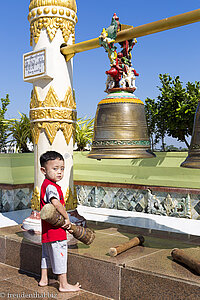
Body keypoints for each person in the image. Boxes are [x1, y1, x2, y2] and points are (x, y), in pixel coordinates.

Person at [38, 150, 81, 292]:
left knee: (46, 254)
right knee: (60, 254)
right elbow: (56, 203)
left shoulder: (45, 184)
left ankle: (44, 279)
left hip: (47, 230)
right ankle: (63, 284)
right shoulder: (52, 187)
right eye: (55, 169)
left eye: (62, 168)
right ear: (43, 170)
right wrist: (67, 218)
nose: (59, 172)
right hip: (56, 230)